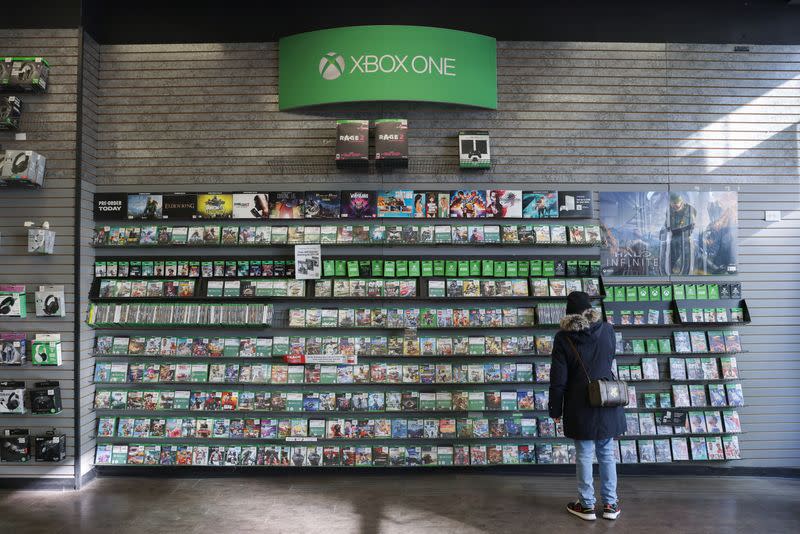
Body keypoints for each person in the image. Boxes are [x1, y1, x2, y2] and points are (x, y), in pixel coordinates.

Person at [549, 291, 626, 521]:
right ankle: (611, 505)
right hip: (605, 399)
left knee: (584, 454)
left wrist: (555, 409)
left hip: (578, 404)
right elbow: (609, 359)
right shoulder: (608, 330)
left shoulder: (563, 338)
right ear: (590, 309)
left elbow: (558, 379)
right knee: (606, 453)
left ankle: (587, 506)